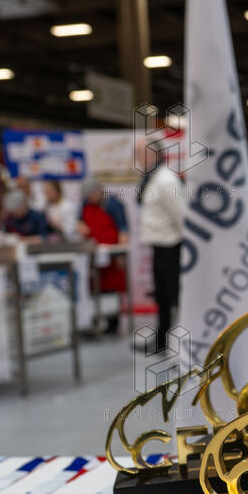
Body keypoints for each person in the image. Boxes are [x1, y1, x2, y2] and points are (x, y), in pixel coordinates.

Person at [138, 145, 188, 355]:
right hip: (160, 248)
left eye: (139, 153)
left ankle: (185, 343)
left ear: (153, 154)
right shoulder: (153, 178)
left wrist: (186, 250)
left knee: (175, 297)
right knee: (162, 298)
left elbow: (181, 215)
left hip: (171, 248)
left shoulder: (166, 180)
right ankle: (162, 340)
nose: (137, 158)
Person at [81, 180, 128, 334]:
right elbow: (80, 222)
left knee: (111, 288)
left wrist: (121, 254)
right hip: (93, 253)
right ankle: (93, 322)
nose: (89, 199)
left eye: (91, 196)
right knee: (93, 288)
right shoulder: (85, 204)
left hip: (111, 256)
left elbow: (123, 230)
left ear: (99, 191)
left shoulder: (113, 204)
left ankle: (113, 323)